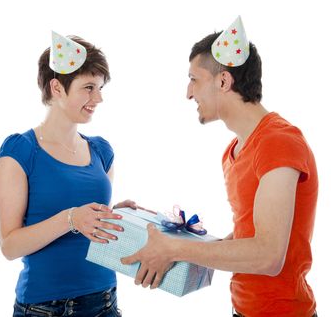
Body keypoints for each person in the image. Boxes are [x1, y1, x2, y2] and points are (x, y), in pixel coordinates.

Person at [122, 17, 318, 317]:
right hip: (242, 308)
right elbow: (246, 237)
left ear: (223, 81)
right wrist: (169, 239)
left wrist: (174, 249)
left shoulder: (278, 141)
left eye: (194, 79)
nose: (189, 93)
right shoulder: (234, 150)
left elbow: (268, 256)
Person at [0, 32, 135, 317]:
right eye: (89, 88)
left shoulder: (101, 151)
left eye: (100, 88)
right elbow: (10, 245)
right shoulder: (20, 152)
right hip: (45, 308)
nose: (99, 98)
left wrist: (118, 217)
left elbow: (93, 226)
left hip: (104, 302)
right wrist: (70, 218)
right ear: (57, 88)